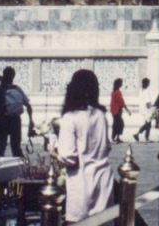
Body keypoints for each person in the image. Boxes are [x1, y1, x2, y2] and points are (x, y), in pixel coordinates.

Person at [54, 69, 114, 224]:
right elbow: (107, 147)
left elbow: (69, 158)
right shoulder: (101, 115)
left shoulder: (70, 118)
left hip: (81, 183)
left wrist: (53, 152)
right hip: (103, 181)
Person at [0, 66, 34, 157]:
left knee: (1, 146)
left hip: (3, 120)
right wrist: (31, 121)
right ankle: (20, 168)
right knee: (15, 146)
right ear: (13, 77)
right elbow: (28, 105)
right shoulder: (17, 89)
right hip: (15, 120)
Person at [133, 77, 154, 143]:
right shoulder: (146, 91)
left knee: (147, 123)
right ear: (147, 83)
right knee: (148, 124)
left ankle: (144, 136)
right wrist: (151, 110)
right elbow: (148, 103)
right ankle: (139, 134)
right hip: (147, 109)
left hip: (142, 109)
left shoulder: (141, 91)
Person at [109, 78, 129, 143]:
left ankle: (116, 137)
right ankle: (115, 136)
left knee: (116, 123)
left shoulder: (113, 92)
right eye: (121, 83)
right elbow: (121, 102)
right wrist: (127, 110)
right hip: (117, 110)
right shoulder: (117, 92)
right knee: (119, 123)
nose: (122, 84)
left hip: (113, 110)